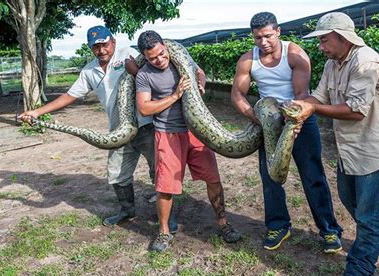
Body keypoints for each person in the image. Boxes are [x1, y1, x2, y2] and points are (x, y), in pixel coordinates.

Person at [290, 12, 379, 276]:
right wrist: (300, 107)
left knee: (367, 219)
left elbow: (355, 111)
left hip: (374, 151)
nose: (321, 46)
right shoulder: (331, 64)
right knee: (349, 199)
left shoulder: (365, 62)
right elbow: (319, 96)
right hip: (350, 150)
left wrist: (311, 111)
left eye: (325, 40)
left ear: (343, 37)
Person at [18, 25, 174, 229]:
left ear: (113, 42)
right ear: (91, 48)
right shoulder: (89, 70)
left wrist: (135, 72)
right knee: (117, 172)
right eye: (96, 47)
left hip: (147, 125)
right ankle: (127, 210)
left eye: (104, 45)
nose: (101, 50)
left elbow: (155, 73)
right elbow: (70, 95)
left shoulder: (129, 54)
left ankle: (166, 216)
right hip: (119, 130)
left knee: (160, 170)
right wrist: (38, 112)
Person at [231, 12, 342, 252]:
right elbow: (237, 95)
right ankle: (278, 226)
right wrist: (258, 117)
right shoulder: (247, 60)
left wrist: (290, 116)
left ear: (278, 31)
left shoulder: (295, 54)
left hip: (299, 119)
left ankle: (329, 231)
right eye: (258, 37)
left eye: (268, 36)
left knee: (313, 176)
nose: (263, 42)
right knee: (270, 177)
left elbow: (302, 94)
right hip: (268, 122)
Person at [135, 30, 241, 252]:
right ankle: (164, 232)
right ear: (144, 56)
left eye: (162, 54)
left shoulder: (179, 58)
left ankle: (223, 223)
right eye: (153, 58)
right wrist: (175, 96)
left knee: (213, 178)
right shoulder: (144, 75)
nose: (160, 60)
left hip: (196, 130)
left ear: (165, 46)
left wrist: (200, 83)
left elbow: (198, 71)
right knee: (165, 187)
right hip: (168, 133)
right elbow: (144, 108)